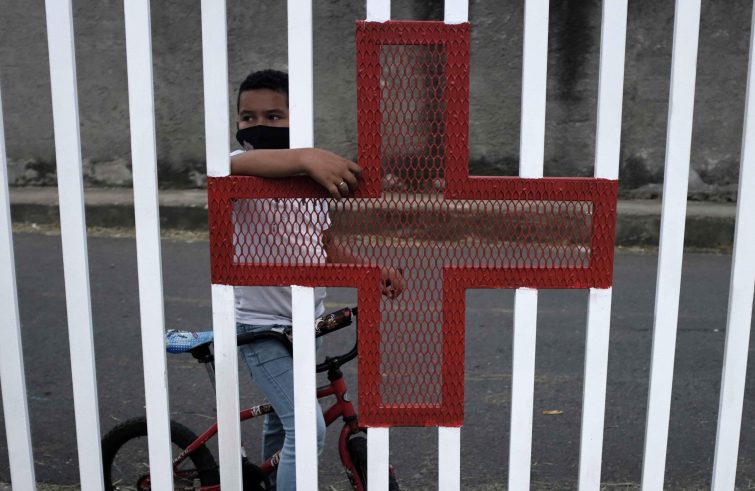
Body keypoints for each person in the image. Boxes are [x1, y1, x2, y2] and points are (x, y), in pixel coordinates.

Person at [230, 69, 403, 490]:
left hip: (308, 326)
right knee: (307, 431)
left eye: (274, 116)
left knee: (282, 424)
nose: (259, 125)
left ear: (300, 119)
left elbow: (322, 245)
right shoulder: (237, 170)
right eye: (248, 117)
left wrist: (370, 270)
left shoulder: (312, 184)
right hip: (261, 330)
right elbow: (235, 163)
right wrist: (308, 156)